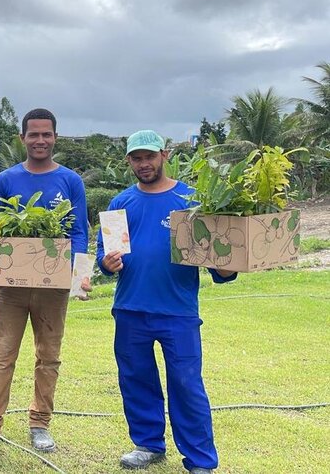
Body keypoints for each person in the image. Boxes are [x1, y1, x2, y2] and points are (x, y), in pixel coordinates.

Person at [96, 130, 236, 474]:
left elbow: (222, 264)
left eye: (149, 156)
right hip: (130, 308)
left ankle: (200, 460)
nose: (143, 164)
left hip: (178, 311)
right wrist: (106, 263)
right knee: (136, 379)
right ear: (128, 161)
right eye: (136, 158)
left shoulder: (193, 200)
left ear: (165, 154)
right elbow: (106, 254)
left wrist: (226, 265)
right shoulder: (120, 203)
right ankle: (148, 444)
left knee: (187, 384)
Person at [0, 108, 89, 461]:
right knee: (0, 358)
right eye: (33, 134)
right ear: (22, 138)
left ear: (55, 138)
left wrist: (79, 272)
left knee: (49, 357)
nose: (40, 140)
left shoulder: (70, 181)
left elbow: (79, 230)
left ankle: (40, 424)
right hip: (12, 288)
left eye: (46, 134)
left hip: (53, 286)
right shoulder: (5, 180)